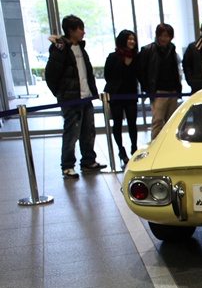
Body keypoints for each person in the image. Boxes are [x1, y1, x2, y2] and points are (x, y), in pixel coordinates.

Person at [45, 14, 107, 178]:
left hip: (85, 97)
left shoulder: (81, 47)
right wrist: (62, 93)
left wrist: (92, 92)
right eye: (80, 29)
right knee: (71, 133)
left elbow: (87, 73)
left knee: (88, 131)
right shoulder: (60, 48)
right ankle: (67, 165)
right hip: (71, 99)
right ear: (71, 30)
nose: (83, 32)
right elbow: (51, 74)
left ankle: (88, 161)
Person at [139, 23, 182, 140]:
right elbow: (142, 72)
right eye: (161, 35)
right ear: (157, 36)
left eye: (167, 36)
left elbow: (175, 71)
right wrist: (148, 90)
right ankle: (155, 148)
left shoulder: (172, 49)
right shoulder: (148, 50)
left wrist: (178, 89)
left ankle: (170, 147)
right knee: (157, 122)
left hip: (172, 91)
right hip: (158, 92)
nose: (164, 38)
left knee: (172, 122)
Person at [103, 29, 140, 166]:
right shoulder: (113, 57)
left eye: (133, 39)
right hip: (116, 95)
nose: (132, 41)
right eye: (129, 39)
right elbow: (108, 75)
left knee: (132, 124)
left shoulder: (136, 57)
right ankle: (121, 150)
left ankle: (134, 149)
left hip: (131, 95)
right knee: (117, 124)